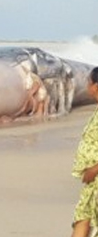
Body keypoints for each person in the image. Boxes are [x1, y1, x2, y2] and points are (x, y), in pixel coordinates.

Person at [71, 67, 98, 237]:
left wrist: (94, 169)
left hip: (95, 175)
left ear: (96, 86)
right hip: (92, 182)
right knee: (82, 217)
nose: (87, 86)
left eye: (88, 82)